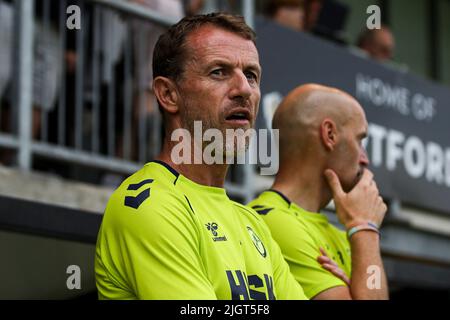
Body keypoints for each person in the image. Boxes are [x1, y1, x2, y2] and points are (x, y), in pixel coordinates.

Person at [95, 13, 307, 300]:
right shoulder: (149, 205)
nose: (244, 89)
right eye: (219, 72)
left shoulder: (251, 222)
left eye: (251, 75)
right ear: (168, 94)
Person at [248, 83, 389, 299]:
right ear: (329, 134)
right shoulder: (272, 223)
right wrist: (366, 229)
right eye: (360, 140)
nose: (365, 159)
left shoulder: (345, 233)